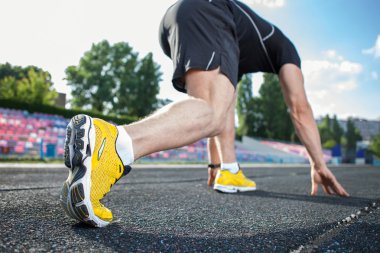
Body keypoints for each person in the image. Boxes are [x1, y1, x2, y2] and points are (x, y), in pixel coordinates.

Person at [60, 0, 349, 227]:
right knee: (210, 108)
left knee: (220, 104)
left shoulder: (238, 49)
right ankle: (114, 142)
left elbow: (226, 111)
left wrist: (216, 166)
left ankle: (229, 172)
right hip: (209, 11)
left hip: (179, 17)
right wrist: (318, 163)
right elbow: (299, 108)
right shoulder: (285, 48)